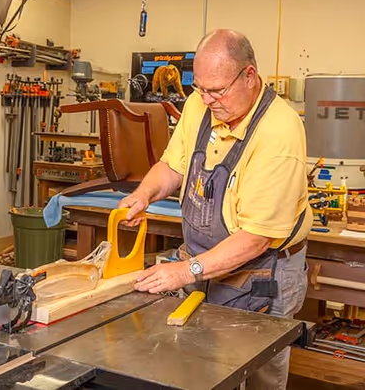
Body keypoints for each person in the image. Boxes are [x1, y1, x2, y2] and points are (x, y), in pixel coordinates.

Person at [118, 29, 312, 390]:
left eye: (216, 90)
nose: (206, 99)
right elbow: (173, 166)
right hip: (204, 265)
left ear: (250, 76)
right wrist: (143, 195)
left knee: (258, 375)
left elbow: (256, 238)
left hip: (262, 272)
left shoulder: (279, 132)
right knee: (199, 369)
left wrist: (184, 272)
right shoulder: (200, 105)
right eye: (199, 89)